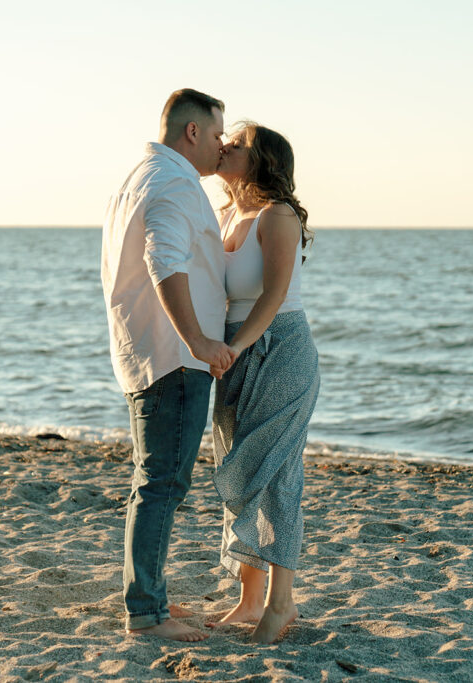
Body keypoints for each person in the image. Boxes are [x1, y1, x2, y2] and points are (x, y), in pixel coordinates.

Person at [101, 88, 236, 642]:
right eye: (218, 133)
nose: (223, 144)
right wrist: (200, 341)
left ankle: (149, 600)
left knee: (154, 481)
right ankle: (147, 615)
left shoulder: (141, 177)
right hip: (173, 357)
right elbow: (164, 262)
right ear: (192, 132)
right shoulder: (174, 184)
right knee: (161, 483)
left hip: (149, 351)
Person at [206, 122, 320, 643]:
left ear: (263, 160)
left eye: (239, 143)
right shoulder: (229, 213)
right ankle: (249, 600)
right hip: (238, 350)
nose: (226, 144)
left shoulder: (278, 216)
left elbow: (273, 297)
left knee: (277, 476)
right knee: (237, 467)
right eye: (224, 137)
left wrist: (236, 346)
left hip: (278, 349)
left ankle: (281, 603)